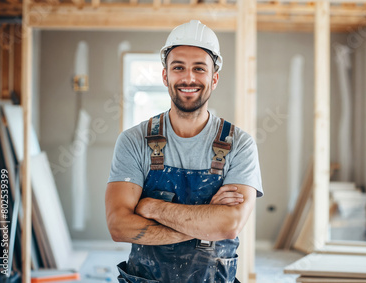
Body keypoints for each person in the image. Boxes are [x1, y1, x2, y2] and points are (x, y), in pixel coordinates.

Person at [105, 19, 263, 283]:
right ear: (165, 75)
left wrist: (152, 207)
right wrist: (204, 224)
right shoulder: (134, 141)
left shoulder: (239, 144)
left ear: (214, 78)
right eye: (178, 68)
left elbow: (228, 225)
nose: (188, 78)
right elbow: (119, 226)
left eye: (199, 69)